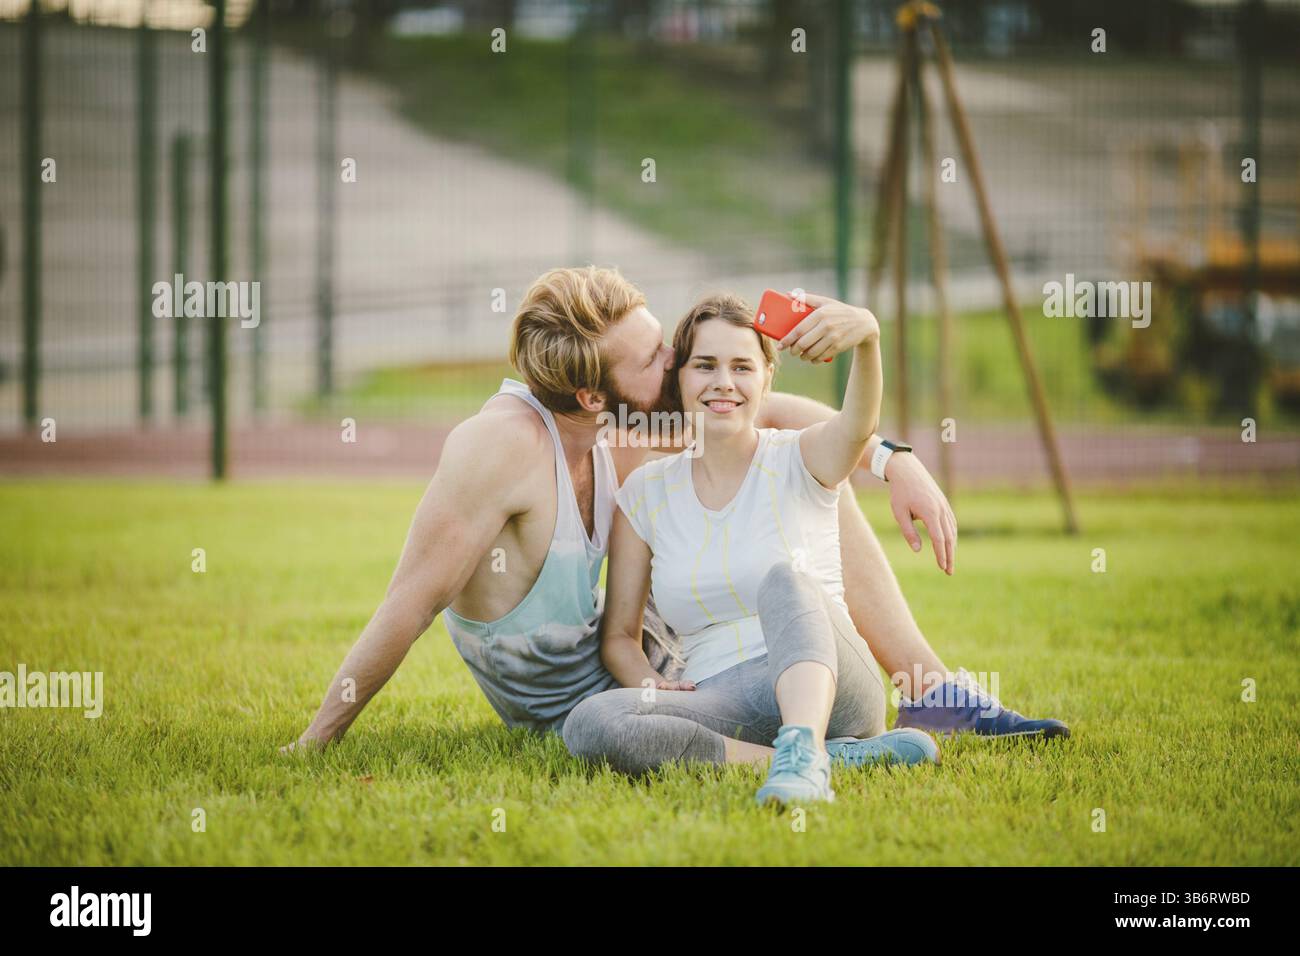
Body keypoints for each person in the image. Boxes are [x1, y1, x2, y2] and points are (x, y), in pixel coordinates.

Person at [282, 266, 1067, 755]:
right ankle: (826, 744)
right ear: (593, 392)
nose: (674, 365)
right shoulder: (498, 449)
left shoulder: (610, 426)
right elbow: (408, 603)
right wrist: (315, 743)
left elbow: (784, 415)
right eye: (658, 357)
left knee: (804, 482)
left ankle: (924, 689)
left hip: (643, 659)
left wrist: (896, 459)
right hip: (590, 697)